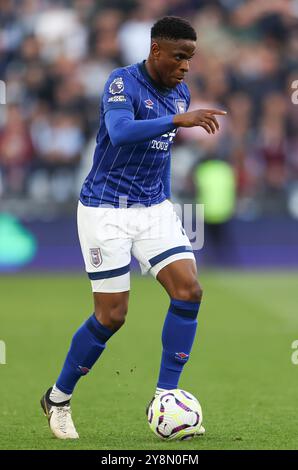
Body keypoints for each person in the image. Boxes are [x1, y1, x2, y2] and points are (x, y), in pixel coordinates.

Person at [40, 16, 226, 439]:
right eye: (179, 57)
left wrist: (164, 198)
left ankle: (166, 395)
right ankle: (58, 397)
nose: (185, 67)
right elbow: (120, 133)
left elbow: (161, 155)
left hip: (152, 207)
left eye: (191, 59)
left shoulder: (181, 93)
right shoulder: (121, 82)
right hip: (105, 210)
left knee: (189, 290)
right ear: (156, 51)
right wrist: (177, 122)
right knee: (112, 316)